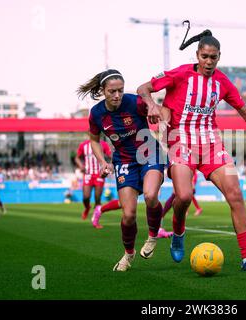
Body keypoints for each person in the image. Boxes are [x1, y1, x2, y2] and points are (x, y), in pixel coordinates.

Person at [137, 28, 246, 272]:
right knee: (185, 196)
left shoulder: (222, 82)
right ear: (197, 55)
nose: (209, 62)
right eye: (205, 56)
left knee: (235, 194)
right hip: (180, 142)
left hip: (212, 144)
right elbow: (143, 88)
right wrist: (151, 106)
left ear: (219, 57)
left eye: (214, 57)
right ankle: (179, 232)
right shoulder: (179, 74)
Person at [77, 69, 167, 271]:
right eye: (112, 91)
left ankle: (153, 236)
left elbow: (161, 111)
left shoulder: (134, 102)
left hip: (149, 153)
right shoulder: (97, 113)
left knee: (151, 195)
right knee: (128, 215)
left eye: (120, 90)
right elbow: (94, 139)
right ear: (103, 91)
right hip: (124, 161)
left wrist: (155, 109)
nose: (117, 95)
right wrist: (103, 162)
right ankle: (129, 254)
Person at [75, 138, 120, 228]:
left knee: (97, 197)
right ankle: (87, 207)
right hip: (88, 173)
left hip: (99, 174)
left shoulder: (103, 144)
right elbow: (77, 157)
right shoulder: (83, 145)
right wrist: (80, 165)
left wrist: (111, 164)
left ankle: (95, 219)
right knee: (86, 197)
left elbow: (111, 155)